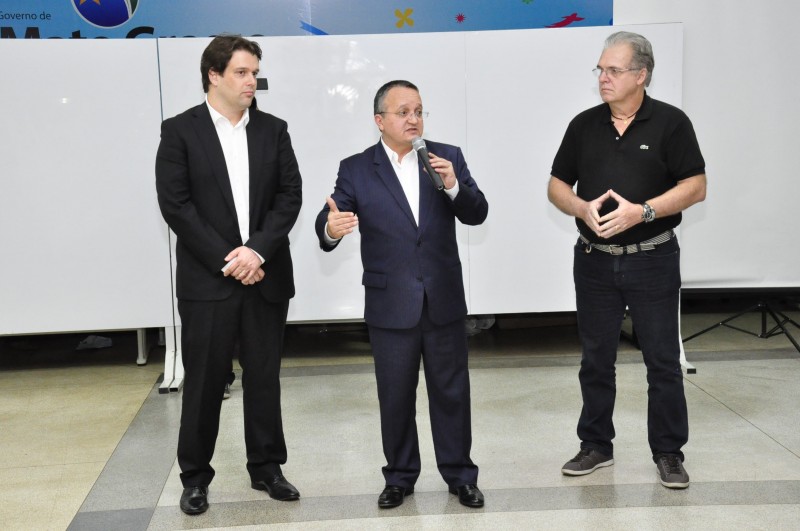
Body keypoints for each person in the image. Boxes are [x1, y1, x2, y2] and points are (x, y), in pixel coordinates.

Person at [315, 80, 489, 508]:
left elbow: (477, 212)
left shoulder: (446, 158)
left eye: (419, 111)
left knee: (452, 393)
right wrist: (330, 228)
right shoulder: (357, 168)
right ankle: (399, 476)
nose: (414, 119)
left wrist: (453, 186)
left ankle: (461, 476)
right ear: (380, 120)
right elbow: (331, 215)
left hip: (443, 298)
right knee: (394, 395)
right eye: (403, 112)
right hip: (390, 302)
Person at [547, 31, 707, 489]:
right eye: (600, 69)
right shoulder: (583, 125)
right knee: (596, 359)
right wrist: (580, 208)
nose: (603, 77)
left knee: (662, 360)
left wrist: (644, 211)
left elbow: (696, 186)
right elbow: (557, 185)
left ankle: (668, 452)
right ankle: (596, 445)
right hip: (594, 261)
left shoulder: (671, 123)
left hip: (653, 259)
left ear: (641, 75)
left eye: (613, 70)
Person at [155, 35, 303, 515]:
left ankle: (267, 468)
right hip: (208, 281)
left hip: (265, 275)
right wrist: (230, 259)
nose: (251, 81)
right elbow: (176, 206)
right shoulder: (180, 131)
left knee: (264, 378)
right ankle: (195, 478)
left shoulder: (274, 130)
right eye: (241, 72)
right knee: (203, 381)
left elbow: (290, 197)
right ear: (213, 75)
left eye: (254, 72)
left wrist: (256, 252)